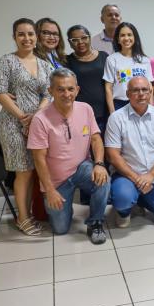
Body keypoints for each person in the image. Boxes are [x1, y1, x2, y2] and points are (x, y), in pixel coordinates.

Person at [27, 68, 109, 243]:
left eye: (70, 89)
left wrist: (100, 164)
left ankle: (95, 222)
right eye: (60, 89)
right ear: (51, 91)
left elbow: (96, 139)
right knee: (61, 229)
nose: (66, 94)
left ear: (77, 90)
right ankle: (65, 206)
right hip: (56, 181)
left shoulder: (85, 109)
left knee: (104, 179)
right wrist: (49, 190)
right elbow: (38, 158)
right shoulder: (40, 119)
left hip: (81, 168)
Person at [0, 18, 52, 236]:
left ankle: (27, 213)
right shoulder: (7, 61)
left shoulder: (44, 64)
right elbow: (0, 92)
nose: (26, 38)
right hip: (12, 124)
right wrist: (22, 117)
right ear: (14, 37)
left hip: (38, 124)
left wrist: (36, 117)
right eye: (21, 34)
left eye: (30, 34)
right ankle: (22, 217)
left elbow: (48, 94)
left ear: (36, 37)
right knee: (24, 172)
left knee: (33, 169)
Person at [105, 76, 154, 228]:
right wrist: (138, 178)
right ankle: (124, 212)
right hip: (127, 175)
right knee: (123, 197)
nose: (141, 94)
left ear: (150, 92)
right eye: (135, 90)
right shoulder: (116, 118)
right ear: (128, 94)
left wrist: (151, 176)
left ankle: (141, 199)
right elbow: (112, 155)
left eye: (144, 90)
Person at [103, 22, 154, 113]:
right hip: (120, 104)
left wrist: (151, 108)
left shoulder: (144, 60)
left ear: (135, 38)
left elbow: (149, 86)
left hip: (141, 102)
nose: (126, 38)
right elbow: (108, 88)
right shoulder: (111, 59)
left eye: (129, 35)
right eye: (122, 35)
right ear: (118, 39)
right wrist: (112, 112)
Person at [66, 25, 109, 133]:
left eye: (84, 37)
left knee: (105, 147)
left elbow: (111, 84)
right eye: (74, 40)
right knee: (84, 148)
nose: (80, 42)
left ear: (90, 38)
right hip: (80, 114)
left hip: (105, 113)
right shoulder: (67, 61)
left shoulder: (104, 56)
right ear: (70, 43)